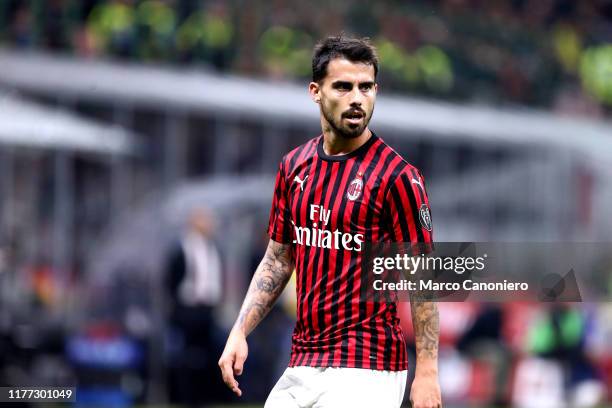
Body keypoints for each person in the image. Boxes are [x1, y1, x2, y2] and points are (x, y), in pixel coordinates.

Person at [218, 35, 441, 408]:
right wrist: (240, 331)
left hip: (368, 367)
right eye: (343, 86)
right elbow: (278, 259)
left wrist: (429, 372)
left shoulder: (398, 177)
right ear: (315, 92)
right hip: (304, 361)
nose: (357, 98)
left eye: (365, 87)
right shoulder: (294, 167)